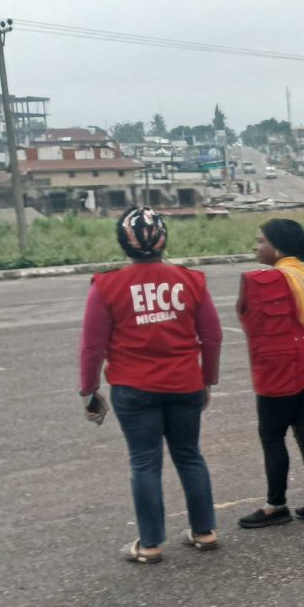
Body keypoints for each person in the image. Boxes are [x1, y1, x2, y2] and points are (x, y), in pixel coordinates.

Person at [78, 207, 221, 563]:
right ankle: (204, 532)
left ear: (122, 242)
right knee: (190, 456)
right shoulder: (190, 280)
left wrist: (88, 388)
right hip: (185, 383)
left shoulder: (106, 284)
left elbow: (93, 345)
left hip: (133, 387)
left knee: (145, 463)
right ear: (163, 240)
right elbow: (213, 337)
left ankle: (151, 544)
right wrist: (208, 380)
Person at [235, 219, 304, 528]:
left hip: (281, 370)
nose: (256, 246)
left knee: (273, 438)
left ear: (276, 247)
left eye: (260, 241)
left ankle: (275, 505)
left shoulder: (274, 278)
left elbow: (254, 322)